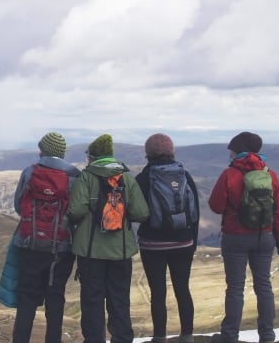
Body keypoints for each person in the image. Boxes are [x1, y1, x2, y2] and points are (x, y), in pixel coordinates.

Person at [66, 134, 150, 343]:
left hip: (90, 251)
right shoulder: (127, 178)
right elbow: (142, 213)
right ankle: (122, 338)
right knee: (119, 299)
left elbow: (75, 210)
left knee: (92, 300)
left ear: (92, 157)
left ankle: (94, 340)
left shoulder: (86, 177)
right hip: (120, 251)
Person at [208, 131, 279, 343]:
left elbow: (215, 206)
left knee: (235, 287)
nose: (230, 154)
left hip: (235, 237)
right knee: (264, 285)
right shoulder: (270, 174)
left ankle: (230, 336)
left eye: (231, 150)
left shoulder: (230, 174)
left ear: (238, 150)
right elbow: (278, 209)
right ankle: (268, 335)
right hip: (265, 236)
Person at [11, 132, 81, 343]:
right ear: (62, 152)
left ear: (42, 150)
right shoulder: (74, 175)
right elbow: (77, 212)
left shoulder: (30, 171)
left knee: (27, 298)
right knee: (55, 297)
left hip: (29, 245)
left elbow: (18, 205)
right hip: (60, 249)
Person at [135, 133, 200, 343]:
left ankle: (159, 337)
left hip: (152, 245)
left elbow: (136, 212)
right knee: (183, 288)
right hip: (183, 242)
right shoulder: (185, 175)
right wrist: (193, 242)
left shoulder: (143, 179)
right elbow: (195, 211)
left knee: (157, 291)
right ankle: (187, 335)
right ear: (172, 151)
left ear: (148, 153)